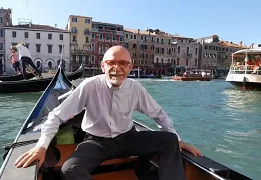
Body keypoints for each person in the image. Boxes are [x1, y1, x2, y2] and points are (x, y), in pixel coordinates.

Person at [14, 46, 203, 180]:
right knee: (69, 170)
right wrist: (42, 146)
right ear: (103, 66)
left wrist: (177, 138)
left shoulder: (135, 88)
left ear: (130, 67)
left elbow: (159, 115)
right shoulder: (89, 85)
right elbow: (56, 116)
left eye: (123, 63)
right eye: (111, 63)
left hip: (128, 138)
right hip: (97, 141)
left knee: (169, 140)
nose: (117, 68)